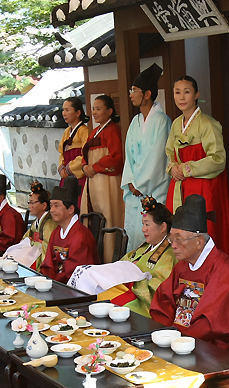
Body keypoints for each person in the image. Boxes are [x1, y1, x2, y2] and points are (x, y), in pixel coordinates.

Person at [150, 194, 229, 350]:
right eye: (171, 239)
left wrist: (179, 338)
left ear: (199, 242)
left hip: (210, 346)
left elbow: (213, 321)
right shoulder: (182, 266)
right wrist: (166, 334)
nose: (174, 246)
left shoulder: (223, 269)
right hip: (177, 338)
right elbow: (163, 302)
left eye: (179, 239)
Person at [165, 75, 229, 261]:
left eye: (186, 92)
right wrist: (172, 167)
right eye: (177, 92)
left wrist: (187, 169)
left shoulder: (208, 124)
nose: (181, 97)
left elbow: (218, 159)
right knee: (180, 232)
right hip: (181, 186)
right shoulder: (175, 125)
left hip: (203, 187)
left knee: (203, 232)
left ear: (196, 94)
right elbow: (169, 153)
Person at [121, 63, 172, 250]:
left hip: (153, 189)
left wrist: (139, 183)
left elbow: (158, 158)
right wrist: (130, 181)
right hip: (136, 190)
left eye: (134, 90)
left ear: (147, 94)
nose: (131, 94)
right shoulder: (135, 122)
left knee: (153, 236)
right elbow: (129, 156)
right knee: (134, 236)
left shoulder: (161, 121)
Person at [81, 95, 124, 262]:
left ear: (110, 111)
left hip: (107, 182)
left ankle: (109, 256)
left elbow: (116, 157)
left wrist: (95, 167)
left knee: (108, 214)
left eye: (99, 109)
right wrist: (85, 165)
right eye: (93, 108)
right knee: (93, 216)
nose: (94, 112)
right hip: (92, 180)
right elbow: (84, 153)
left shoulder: (113, 130)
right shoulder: (94, 131)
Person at [40, 176, 98, 283]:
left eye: (56, 206)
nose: (51, 210)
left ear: (71, 209)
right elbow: (48, 264)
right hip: (58, 283)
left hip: (77, 288)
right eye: (51, 205)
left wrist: (52, 282)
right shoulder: (56, 232)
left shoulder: (81, 237)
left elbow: (73, 273)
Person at [4, 181, 57, 269]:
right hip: (33, 254)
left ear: (44, 205)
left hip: (39, 258)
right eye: (29, 203)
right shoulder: (37, 222)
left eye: (32, 203)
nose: (29, 206)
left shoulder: (49, 224)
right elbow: (26, 239)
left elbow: (48, 249)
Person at [57, 97, 90, 208]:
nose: (64, 113)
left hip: (78, 175)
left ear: (78, 113)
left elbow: (85, 154)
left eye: (67, 110)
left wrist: (68, 169)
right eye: (63, 110)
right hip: (66, 175)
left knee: (78, 204)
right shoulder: (67, 131)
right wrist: (61, 167)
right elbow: (61, 152)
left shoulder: (84, 130)